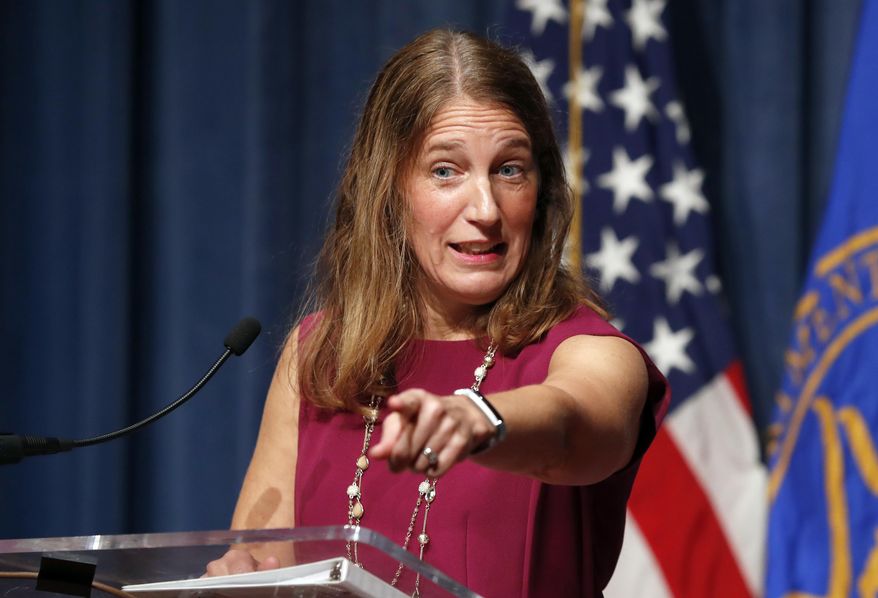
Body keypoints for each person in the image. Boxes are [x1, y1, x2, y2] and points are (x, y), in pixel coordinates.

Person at [205, 29, 669, 597]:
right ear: (388, 190)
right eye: (446, 170)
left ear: (541, 188)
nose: (486, 210)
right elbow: (259, 557)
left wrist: (481, 420)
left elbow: (573, 423)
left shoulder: (589, 350)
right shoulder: (317, 352)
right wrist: (238, 574)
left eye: (510, 169)